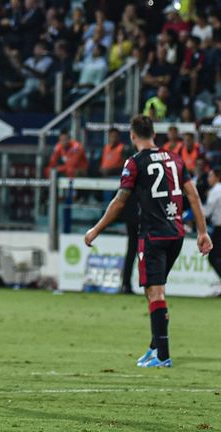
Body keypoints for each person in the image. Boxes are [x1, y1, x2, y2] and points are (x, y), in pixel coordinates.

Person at [84, 115, 212, 368]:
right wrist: (202, 232)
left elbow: (120, 201)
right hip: (175, 233)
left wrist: (96, 229)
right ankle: (155, 346)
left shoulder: (134, 163)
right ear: (153, 133)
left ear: (132, 136)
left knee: (155, 292)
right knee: (153, 290)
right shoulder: (175, 159)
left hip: (153, 234)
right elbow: (193, 195)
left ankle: (163, 355)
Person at [203, 167, 221, 280]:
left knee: (213, 257)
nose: (208, 178)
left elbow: (207, 212)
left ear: (217, 177)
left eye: (210, 176)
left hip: (219, 228)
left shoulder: (215, 190)